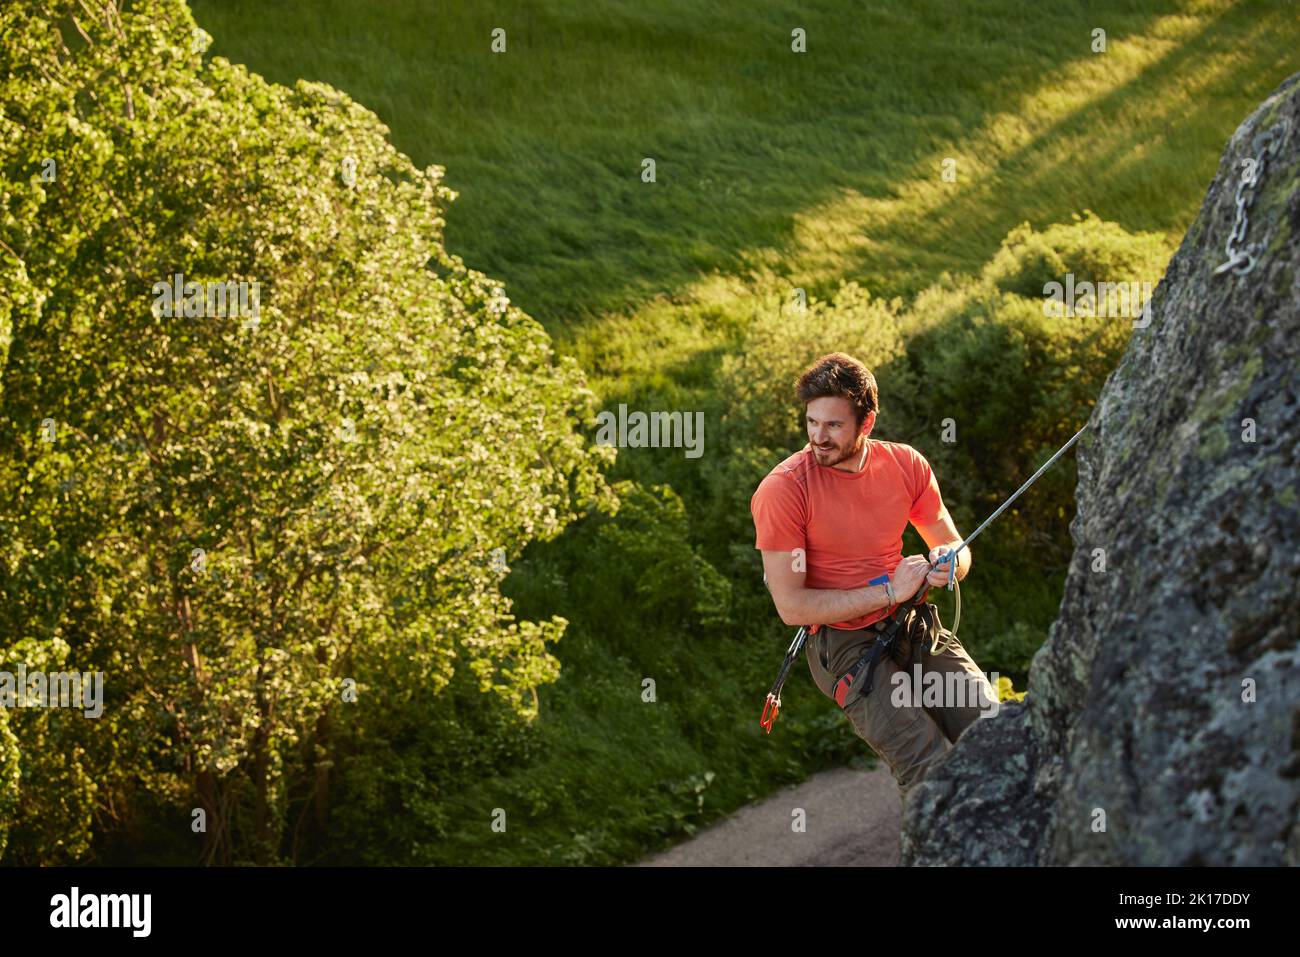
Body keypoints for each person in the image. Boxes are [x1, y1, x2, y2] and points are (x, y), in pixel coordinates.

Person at [750, 352, 996, 801]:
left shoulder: (906, 465)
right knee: (932, 774)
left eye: (833, 426)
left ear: (867, 423)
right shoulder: (784, 489)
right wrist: (888, 590)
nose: (817, 438)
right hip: (845, 646)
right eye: (811, 423)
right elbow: (792, 606)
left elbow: (958, 551)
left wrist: (946, 564)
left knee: (994, 736)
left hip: (913, 624)